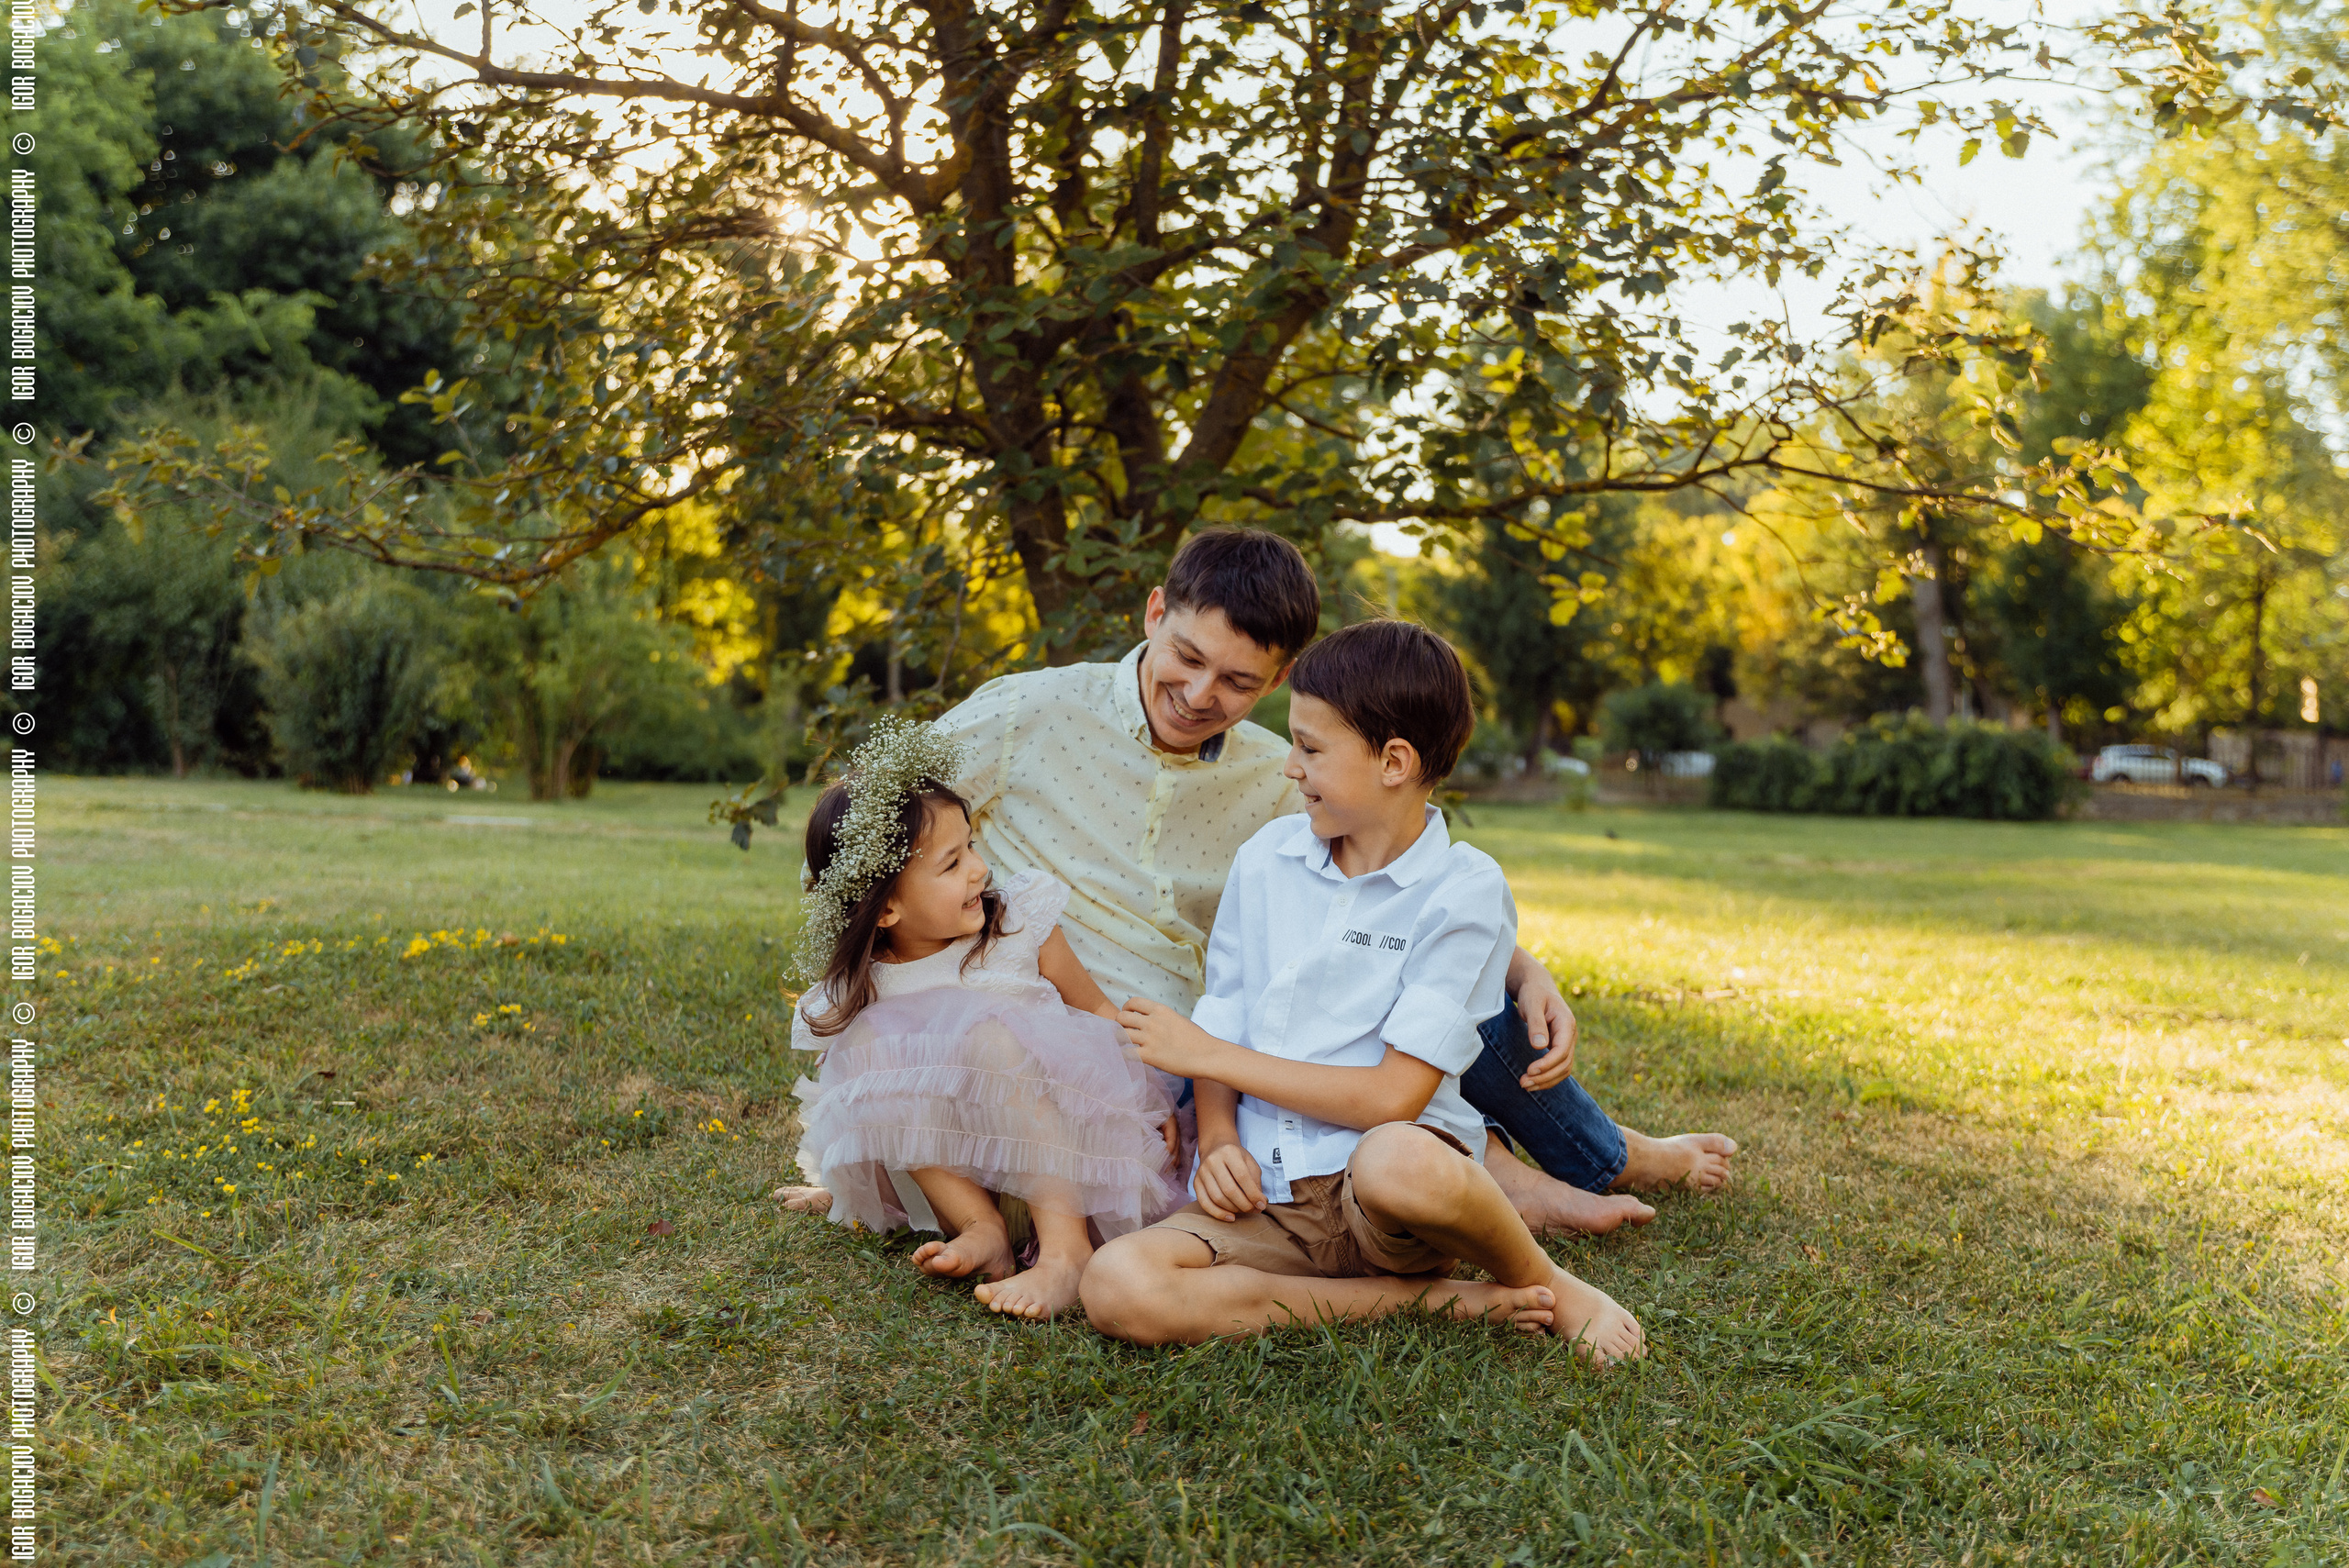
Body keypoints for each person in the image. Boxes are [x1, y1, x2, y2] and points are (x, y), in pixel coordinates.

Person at [778, 528, 1731, 1233]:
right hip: (1085, 1035)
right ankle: (1532, 1183)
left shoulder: (1287, 770)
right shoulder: (1031, 713)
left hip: (1225, 1029)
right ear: (1154, 612)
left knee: (1448, 990)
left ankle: (1609, 1155)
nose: (1199, 695)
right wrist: (873, 998)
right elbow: (871, 825)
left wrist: (1525, 970)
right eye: (1186, 656)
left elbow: (1405, 882)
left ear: (1276, 679)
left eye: (1237, 681)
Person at [1082, 621, 1644, 1362]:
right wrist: (1217, 1138)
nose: (1290, 767)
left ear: (1395, 761)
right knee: (1117, 1284)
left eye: (1311, 748)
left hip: (1388, 1197)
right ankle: (1445, 1303)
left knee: (1396, 1159)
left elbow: (1392, 1100)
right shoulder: (1267, 861)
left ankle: (1550, 1284)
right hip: (1270, 1200)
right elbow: (1228, 1012)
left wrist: (1207, 1054)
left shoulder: (1463, 889)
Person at [787, 718, 1185, 1320]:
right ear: (886, 906)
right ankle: (981, 1228)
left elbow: (1099, 1011)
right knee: (876, 1049)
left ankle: (1066, 1251)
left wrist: (1149, 1093)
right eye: (951, 863)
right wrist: (844, 1184)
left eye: (971, 846)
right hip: (961, 1179)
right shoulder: (868, 987)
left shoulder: (1019, 925)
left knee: (992, 1038)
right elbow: (863, 1098)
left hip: (1061, 1167)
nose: (978, 868)